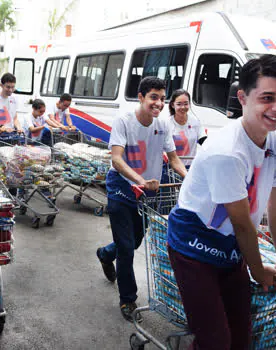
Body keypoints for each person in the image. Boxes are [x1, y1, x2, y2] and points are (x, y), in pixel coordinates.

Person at [167, 54, 276, 349]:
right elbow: (240, 222)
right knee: (216, 341)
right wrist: (259, 270)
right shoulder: (227, 151)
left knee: (241, 339)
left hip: (230, 246)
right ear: (243, 97)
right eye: (267, 98)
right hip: (194, 245)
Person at [96, 77, 187, 322]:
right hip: (122, 189)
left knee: (134, 241)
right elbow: (117, 159)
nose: (158, 103)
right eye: (153, 97)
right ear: (141, 97)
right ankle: (128, 299)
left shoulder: (163, 126)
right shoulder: (124, 121)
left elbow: (174, 158)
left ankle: (105, 253)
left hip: (148, 193)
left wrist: (190, 178)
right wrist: (139, 180)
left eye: (162, 98)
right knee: (126, 248)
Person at [166, 89, 207, 167]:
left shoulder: (195, 122)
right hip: (170, 169)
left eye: (186, 104)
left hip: (189, 167)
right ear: (172, 105)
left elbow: (204, 140)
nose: (183, 107)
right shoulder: (167, 124)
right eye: (179, 104)